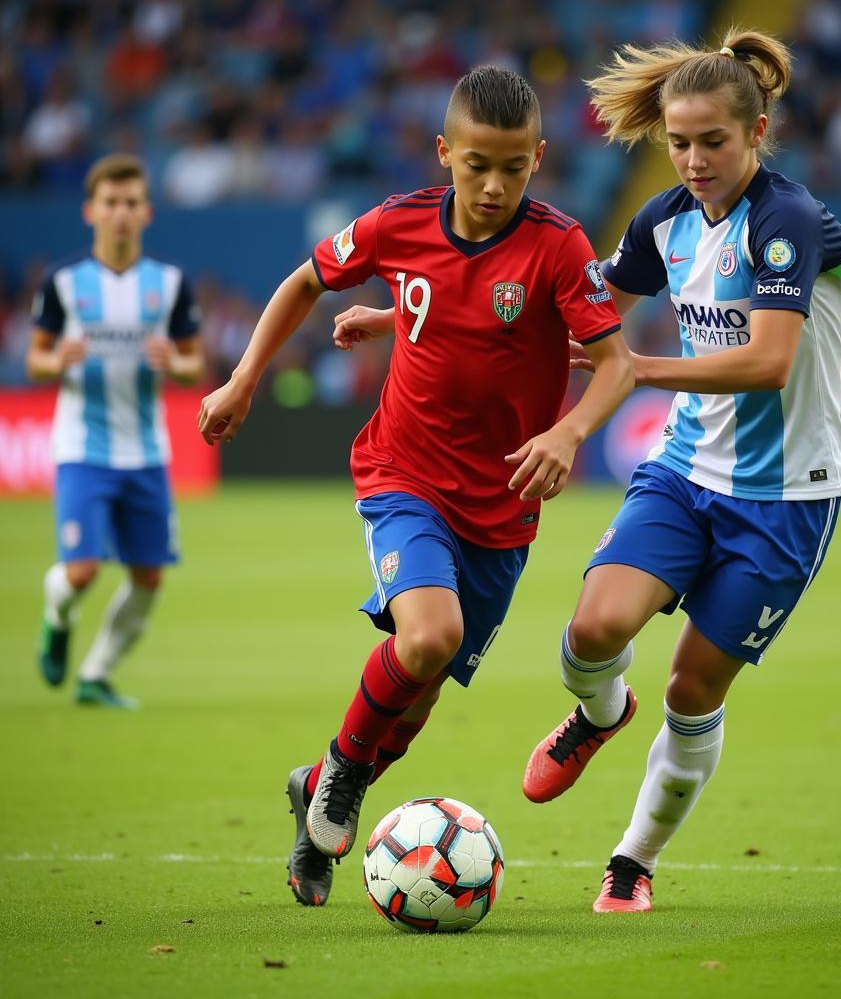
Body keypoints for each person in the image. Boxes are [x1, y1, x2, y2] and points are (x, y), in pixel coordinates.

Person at [520, 30, 841, 914]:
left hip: (786, 500)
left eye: (712, 142)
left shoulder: (789, 220)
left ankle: (632, 861)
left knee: (692, 687)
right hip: (686, 472)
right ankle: (602, 713)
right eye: (678, 143)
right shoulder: (663, 221)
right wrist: (408, 317)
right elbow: (575, 310)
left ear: (756, 131)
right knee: (593, 630)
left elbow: (789, 353)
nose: (692, 160)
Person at [197, 67, 634, 908]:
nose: (495, 184)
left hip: (504, 503)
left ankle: (323, 780)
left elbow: (612, 360)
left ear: (540, 159)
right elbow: (301, 283)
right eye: (477, 165)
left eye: (513, 167)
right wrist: (246, 376)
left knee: (423, 682)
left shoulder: (558, 246)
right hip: (406, 473)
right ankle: (341, 783)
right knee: (429, 636)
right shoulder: (396, 223)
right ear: (445, 154)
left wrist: (569, 430)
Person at [27, 153, 204, 710]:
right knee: (81, 571)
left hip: (148, 448)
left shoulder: (170, 283)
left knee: (149, 578)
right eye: (111, 203)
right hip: (83, 445)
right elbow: (34, 359)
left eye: (131, 203)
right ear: (91, 211)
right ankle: (57, 617)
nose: (121, 213)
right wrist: (57, 361)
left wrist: (171, 362)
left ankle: (96, 673)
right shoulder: (64, 282)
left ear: (147, 211)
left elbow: (195, 363)